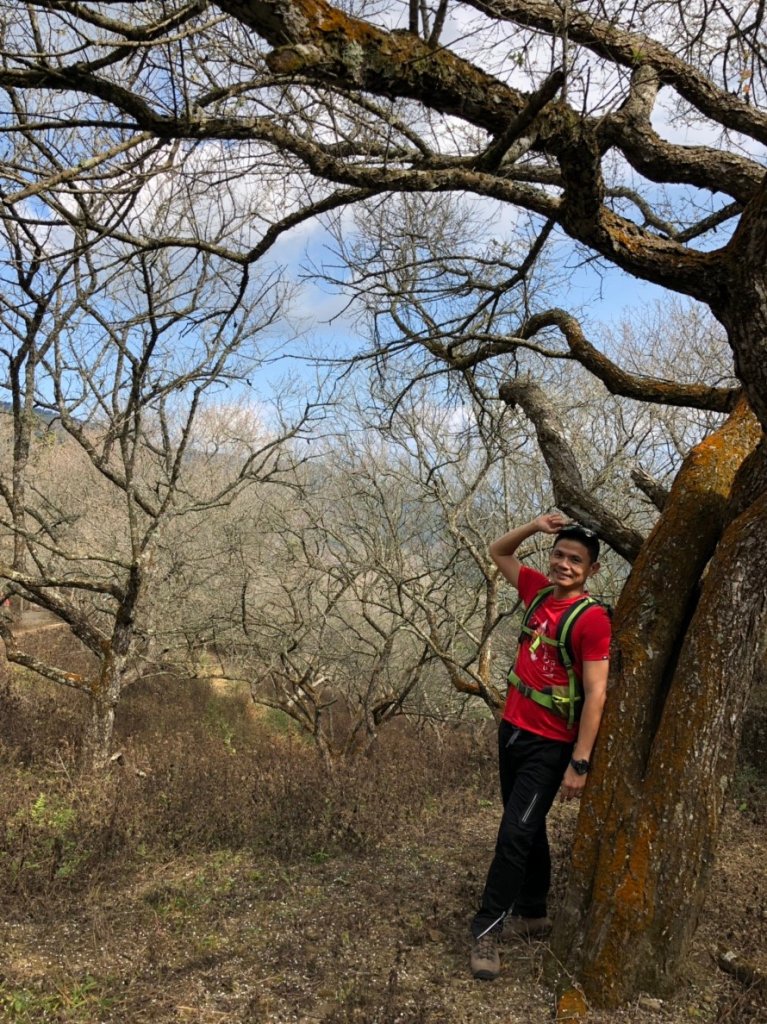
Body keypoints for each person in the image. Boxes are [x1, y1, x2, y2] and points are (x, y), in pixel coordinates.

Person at [470, 512, 611, 981]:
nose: (564, 564)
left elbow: (597, 694)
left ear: (591, 570)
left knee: (513, 835)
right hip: (511, 729)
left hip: (549, 747)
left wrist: (580, 762)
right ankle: (533, 911)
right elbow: (498, 551)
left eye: (576, 560)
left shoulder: (591, 620)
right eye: (560, 555)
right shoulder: (535, 591)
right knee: (523, 826)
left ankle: (486, 930)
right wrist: (534, 527)